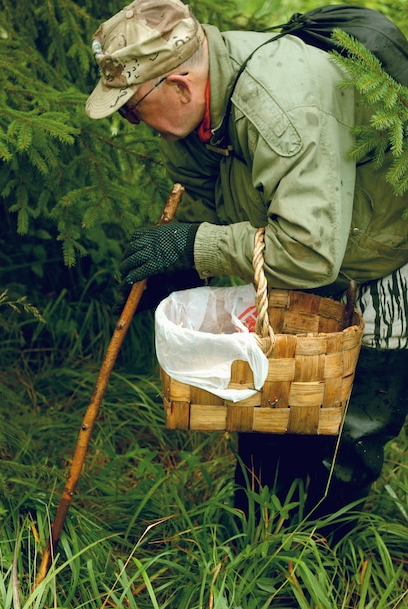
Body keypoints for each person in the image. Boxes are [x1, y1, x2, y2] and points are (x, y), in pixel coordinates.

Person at [85, 0, 408, 537]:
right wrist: (181, 256)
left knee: (346, 428)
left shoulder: (280, 110)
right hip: (303, 254)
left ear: (182, 86)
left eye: (131, 108)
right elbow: (213, 196)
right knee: (271, 406)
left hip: (379, 258)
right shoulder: (199, 110)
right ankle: (255, 544)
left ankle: (311, 570)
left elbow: (307, 252)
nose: (132, 122)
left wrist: (198, 247)